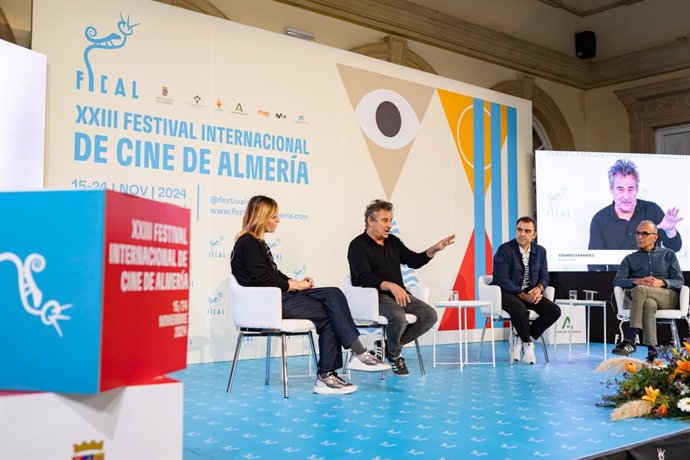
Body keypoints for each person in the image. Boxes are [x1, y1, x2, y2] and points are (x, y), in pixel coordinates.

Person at [231, 195, 390, 396]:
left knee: (333, 294)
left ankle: (337, 368)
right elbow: (263, 279)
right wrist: (293, 285)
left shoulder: (257, 243)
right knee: (331, 311)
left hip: (276, 299)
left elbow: (273, 275)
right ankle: (342, 364)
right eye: (274, 216)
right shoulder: (248, 243)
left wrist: (298, 284)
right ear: (262, 217)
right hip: (266, 305)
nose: (278, 220)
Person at [347, 199, 455, 376]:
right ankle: (395, 356)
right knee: (398, 317)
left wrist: (434, 249)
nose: (389, 225)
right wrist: (390, 285)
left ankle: (389, 346)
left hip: (398, 295)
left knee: (429, 315)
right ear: (370, 221)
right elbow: (363, 278)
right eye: (384, 220)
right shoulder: (357, 245)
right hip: (373, 297)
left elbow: (414, 260)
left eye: (390, 220)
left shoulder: (393, 242)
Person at [588, 159, 682, 271]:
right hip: (617, 282)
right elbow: (595, 264)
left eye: (630, 189)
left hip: (652, 282)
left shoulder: (652, 210)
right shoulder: (600, 219)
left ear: (637, 189)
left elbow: (675, 247)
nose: (626, 196)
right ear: (611, 189)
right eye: (620, 189)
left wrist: (670, 230)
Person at [491, 216, 561, 364]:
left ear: (534, 235)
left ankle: (521, 335)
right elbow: (501, 280)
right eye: (519, 230)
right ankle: (527, 345)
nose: (522, 234)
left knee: (554, 311)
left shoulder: (540, 251)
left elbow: (544, 276)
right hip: (507, 293)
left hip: (529, 293)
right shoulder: (504, 250)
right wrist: (523, 295)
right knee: (520, 309)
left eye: (527, 231)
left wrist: (539, 288)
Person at [612, 220, 684, 361]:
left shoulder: (668, 254)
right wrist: (635, 281)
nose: (639, 237)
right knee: (648, 303)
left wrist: (661, 282)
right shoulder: (630, 259)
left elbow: (679, 281)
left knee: (639, 291)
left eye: (644, 233)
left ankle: (630, 338)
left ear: (655, 237)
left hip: (666, 296)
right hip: (646, 298)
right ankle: (652, 353)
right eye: (637, 233)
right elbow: (617, 281)